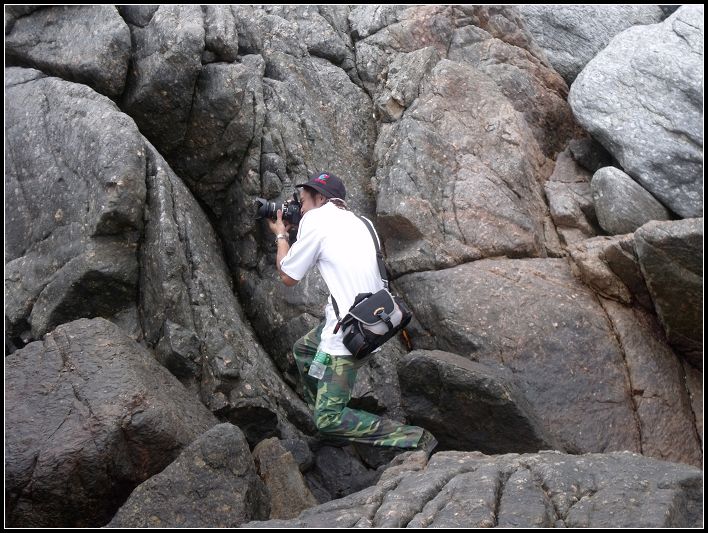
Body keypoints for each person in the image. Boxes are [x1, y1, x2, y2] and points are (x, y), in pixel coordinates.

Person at [267, 171, 437, 456]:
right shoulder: (361, 222)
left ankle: (416, 439)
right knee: (305, 350)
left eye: (303, 201)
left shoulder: (316, 220)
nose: (300, 208)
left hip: (348, 338)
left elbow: (288, 276)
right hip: (375, 321)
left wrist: (282, 234)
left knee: (328, 419)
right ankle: (330, 418)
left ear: (320, 199)